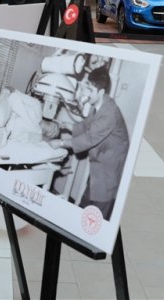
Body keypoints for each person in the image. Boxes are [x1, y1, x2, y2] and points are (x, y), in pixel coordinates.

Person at [47, 67, 129, 220]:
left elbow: (89, 138)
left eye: (89, 89)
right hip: (99, 165)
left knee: (97, 215)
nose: (85, 94)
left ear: (101, 91)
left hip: (109, 170)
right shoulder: (98, 107)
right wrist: (64, 125)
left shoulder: (110, 113)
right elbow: (85, 126)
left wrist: (60, 143)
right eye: (86, 88)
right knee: (86, 203)